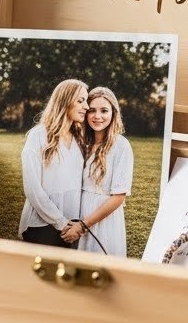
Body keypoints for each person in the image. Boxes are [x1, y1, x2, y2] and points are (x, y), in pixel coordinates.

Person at [19, 79, 88, 247]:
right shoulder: (38, 136)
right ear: (64, 101)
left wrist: (74, 225)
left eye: (86, 101)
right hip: (43, 227)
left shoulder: (80, 139)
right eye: (80, 101)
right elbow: (32, 189)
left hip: (72, 228)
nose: (86, 106)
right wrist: (61, 222)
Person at [78, 86, 134, 258]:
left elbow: (119, 197)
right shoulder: (81, 142)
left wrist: (84, 225)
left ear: (113, 113)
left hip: (104, 219)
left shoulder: (121, 146)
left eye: (104, 110)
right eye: (92, 110)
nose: (97, 116)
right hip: (78, 213)